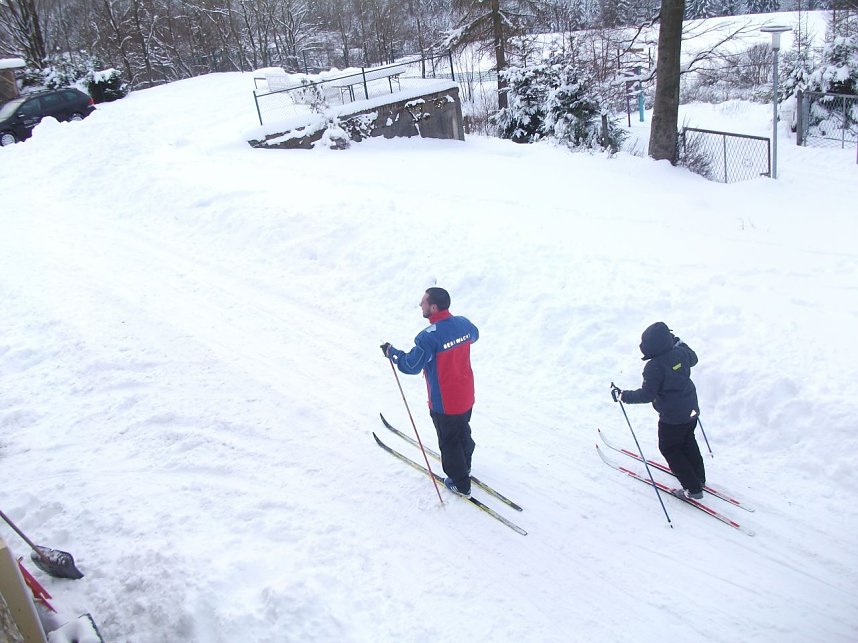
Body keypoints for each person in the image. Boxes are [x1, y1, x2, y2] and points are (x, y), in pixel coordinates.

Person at [381, 287, 479, 498]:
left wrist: (393, 353)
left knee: (449, 441)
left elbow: (411, 365)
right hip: (466, 394)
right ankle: (466, 465)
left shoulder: (428, 337)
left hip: (445, 401)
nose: (420, 305)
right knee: (463, 430)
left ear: (433, 307)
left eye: (423, 302)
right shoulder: (463, 323)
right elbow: (475, 336)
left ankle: (461, 483)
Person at [613, 321, 706, 500]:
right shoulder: (680, 353)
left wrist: (624, 396)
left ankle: (693, 488)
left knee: (669, 448)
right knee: (688, 441)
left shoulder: (654, 366)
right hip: (691, 409)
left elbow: (648, 394)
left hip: (672, 417)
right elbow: (693, 359)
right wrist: (678, 343)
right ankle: (699, 478)